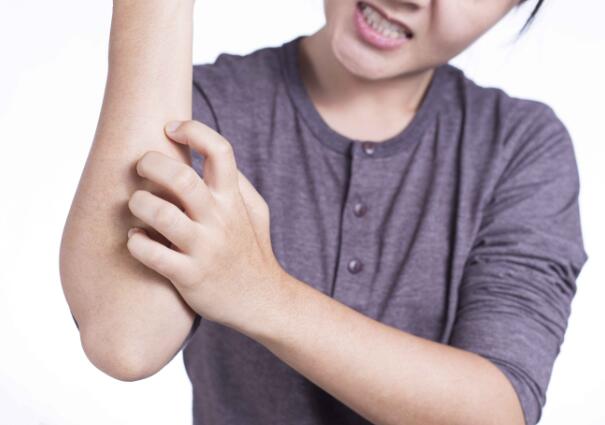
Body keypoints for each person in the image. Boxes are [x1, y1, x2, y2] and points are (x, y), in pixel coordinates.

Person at [60, 1, 588, 425]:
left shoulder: (519, 147)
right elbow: (125, 341)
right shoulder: (197, 109)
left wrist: (260, 293)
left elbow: (497, 411)